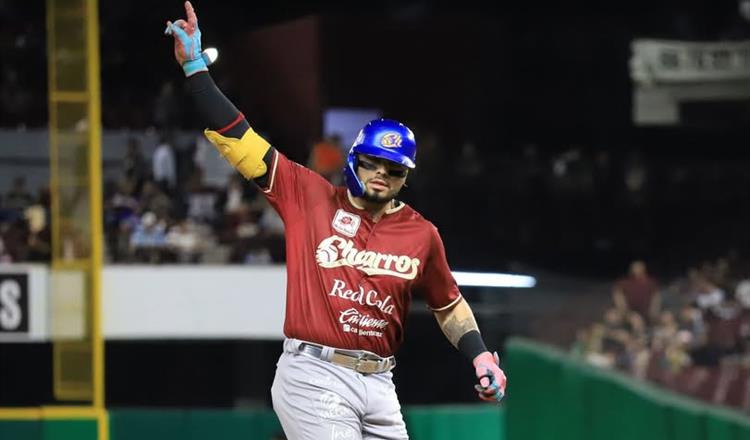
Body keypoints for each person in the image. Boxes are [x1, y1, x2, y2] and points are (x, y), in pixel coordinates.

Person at [165, 3, 507, 438]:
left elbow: (448, 305)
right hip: (314, 373)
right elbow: (239, 138)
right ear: (354, 160)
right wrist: (195, 68)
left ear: (406, 177)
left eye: (394, 169)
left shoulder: (421, 234)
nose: (381, 174)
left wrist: (479, 354)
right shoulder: (308, 195)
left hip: (380, 383)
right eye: (372, 162)